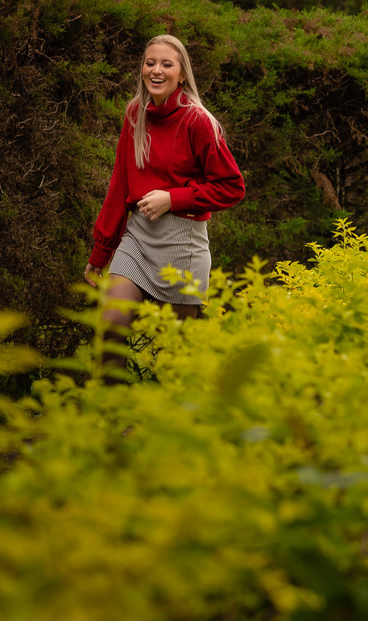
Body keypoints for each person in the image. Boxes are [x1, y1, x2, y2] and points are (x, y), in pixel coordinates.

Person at [85, 34, 245, 377]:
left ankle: (164, 425)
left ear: (182, 75)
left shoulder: (198, 121)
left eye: (166, 64)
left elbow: (232, 187)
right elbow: (119, 187)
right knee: (110, 322)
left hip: (182, 245)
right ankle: (110, 420)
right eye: (150, 62)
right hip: (137, 242)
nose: (156, 70)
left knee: (172, 355)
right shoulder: (134, 114)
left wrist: (173, 198)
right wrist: (101, 253)